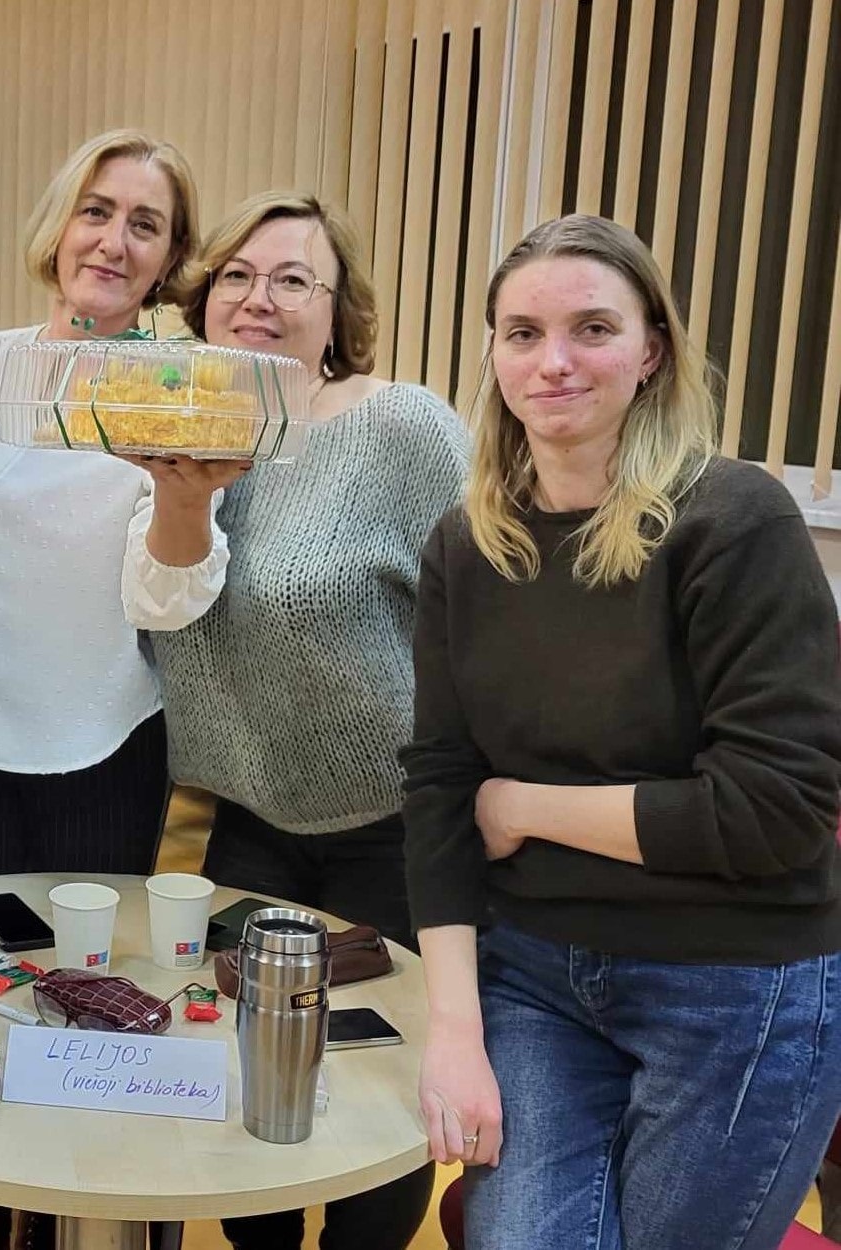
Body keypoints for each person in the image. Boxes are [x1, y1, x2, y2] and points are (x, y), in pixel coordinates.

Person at [403, 214, 841, 1250]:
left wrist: (522, 805)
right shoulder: (465, 545)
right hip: (535, 976)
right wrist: (453, 1030)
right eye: (522, 334)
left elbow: (773, 813)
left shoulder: (734, 521)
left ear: (650, 351)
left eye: (591, 329)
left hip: (734, 982)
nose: (552, 362)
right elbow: (439, 784)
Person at [122, 192, 459, 1249]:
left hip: (389, 827)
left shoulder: (401, 427)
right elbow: (161, 609)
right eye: (235, 275)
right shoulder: (174, 424)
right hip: (245, 818)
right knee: (252, 1094)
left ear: (336, 308)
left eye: (291, 279)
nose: (257, 298)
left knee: (375, 1098)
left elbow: (485, 613)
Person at [0, 128, 198, 1250]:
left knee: (77, 1013)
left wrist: (187, 497)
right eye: (96, 211)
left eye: (145, 225)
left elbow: (166, 596)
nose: (113, 240)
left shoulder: (171, 393)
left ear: (168, 260)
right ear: (59, 224)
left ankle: (67, 1221)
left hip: (91, 747)